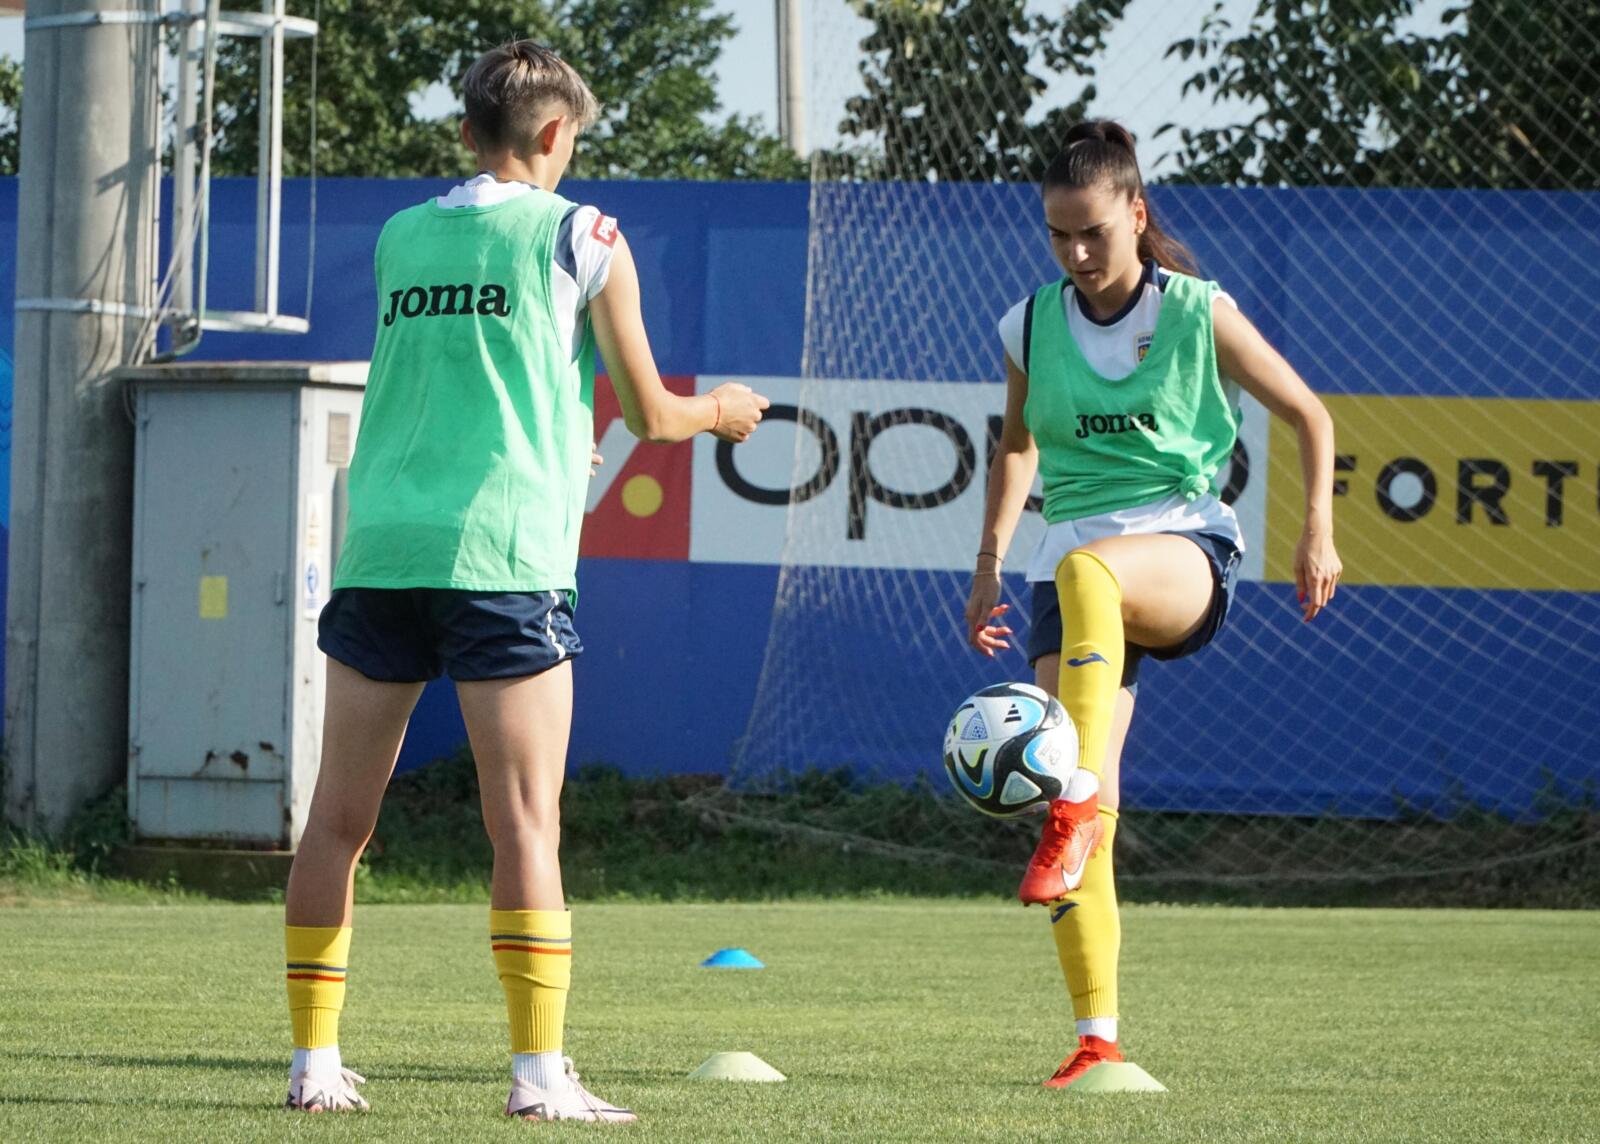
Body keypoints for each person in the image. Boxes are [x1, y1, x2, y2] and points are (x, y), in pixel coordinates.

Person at [279, 40, 768, 1122]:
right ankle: (539, 1078)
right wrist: (721, 412)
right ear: (555, 134)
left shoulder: (403, 235)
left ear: (467, 132)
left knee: (336, 821)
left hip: (384, 551)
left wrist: (555, 437)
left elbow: (462, 382)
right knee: (524, 824)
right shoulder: (584, 234)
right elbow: (652, 414)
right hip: (502, 560)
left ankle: (314, 1064)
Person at [964, 120, 1341, 1089]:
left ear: (1136, 213)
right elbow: (1017, 447)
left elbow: (1310, 413)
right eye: (1058, 236)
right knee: (1078, 790)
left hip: (1181, 552)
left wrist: (1318, 531)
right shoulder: (1029, 324)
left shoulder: (1196, 311)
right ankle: (1096, 1040)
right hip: (1065, 566)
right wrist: (989, 560)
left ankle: (1075, 802)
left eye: (1092, 232)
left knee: (1089, 595)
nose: (1076, 254)